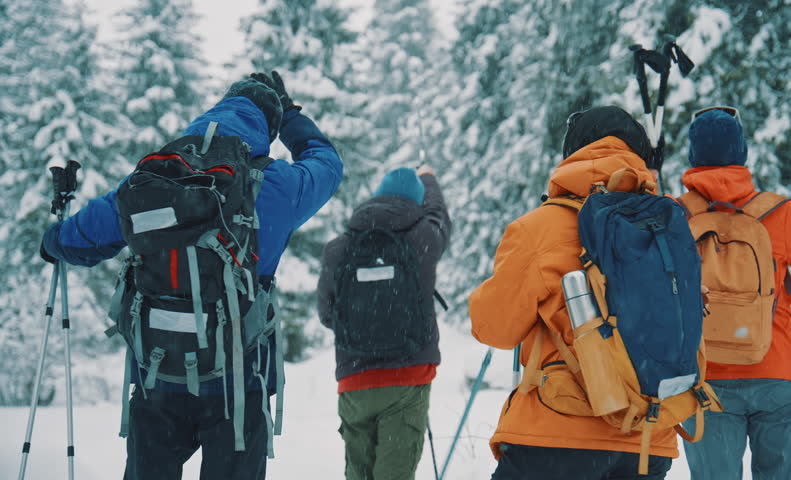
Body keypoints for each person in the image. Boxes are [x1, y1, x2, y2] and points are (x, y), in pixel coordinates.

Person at [40, 71, 343, 480]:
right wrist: (288, 114)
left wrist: (52, 240)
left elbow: (83, 239)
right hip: (239, 381)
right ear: (266, 131)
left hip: (159, 374)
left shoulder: (154, 179)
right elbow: (326, 162)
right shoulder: (275, 186)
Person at [469, 106, 680, 480]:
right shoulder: (669, 225)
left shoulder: (541, 227)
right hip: (648, 436)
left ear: (572, 153)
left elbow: (495, 329)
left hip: (557, 431)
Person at [678, 106, 791, 479]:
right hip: (777, 372)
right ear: (741, 154)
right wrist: (782, 294)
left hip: (708, 379)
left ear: (693, 156)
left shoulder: (677, 216)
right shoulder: (777, 213)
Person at [317, 165, 451, 480]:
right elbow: (440, 216)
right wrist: (429, 179)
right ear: (416, 203)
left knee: (359, 474)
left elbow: (327, 314)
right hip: (408, 377)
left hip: (354, 380)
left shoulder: (338, 248)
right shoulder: (424, 238)